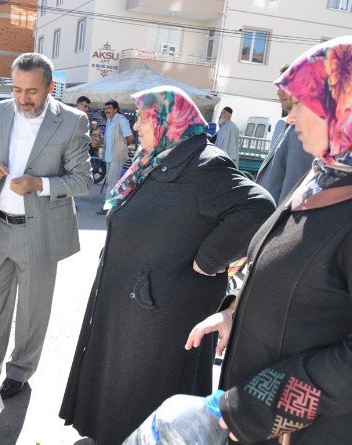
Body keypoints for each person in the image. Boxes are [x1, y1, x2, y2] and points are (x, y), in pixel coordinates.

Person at [59, 86, 275, 444]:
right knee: (120, 377)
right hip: (131, 296)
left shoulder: (205, 163)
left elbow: (259, 205)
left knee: (145, 385)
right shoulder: (156, 158)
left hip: (162, 305)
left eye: (144, 117)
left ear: (168, 120)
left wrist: (209, 259)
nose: (138, 124)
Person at [186, 36, 352, 445]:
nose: (290, 117)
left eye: (302, 103)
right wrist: (234, 311)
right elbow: (277, 262)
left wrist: (257, 407)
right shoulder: (322, 178)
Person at [0, 53, 92, 399]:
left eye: (32, 91)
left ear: (51, 87)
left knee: (32, 309)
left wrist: (39, 183)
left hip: (39, 231)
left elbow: (83, 180)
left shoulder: (71, 121)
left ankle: (20, 372)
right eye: (17, 89)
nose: (23, 99)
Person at [255, 65, 314, 205]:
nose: (279, 93)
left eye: (285, 85)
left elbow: (293, 188)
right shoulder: (288, 126)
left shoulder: (301, 130)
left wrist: (278, 225)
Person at [99, 99, 134, 212]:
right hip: (109, 157)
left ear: (116, 109)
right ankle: (113, 204)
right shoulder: (109, 120)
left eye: (109, 108)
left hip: (117, 156)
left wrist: (122, 147)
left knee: (112, 182)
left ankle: (107, 208)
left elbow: (130, 138)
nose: (106, 110)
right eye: (105, 108)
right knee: (110, 181)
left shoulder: (121, 120)